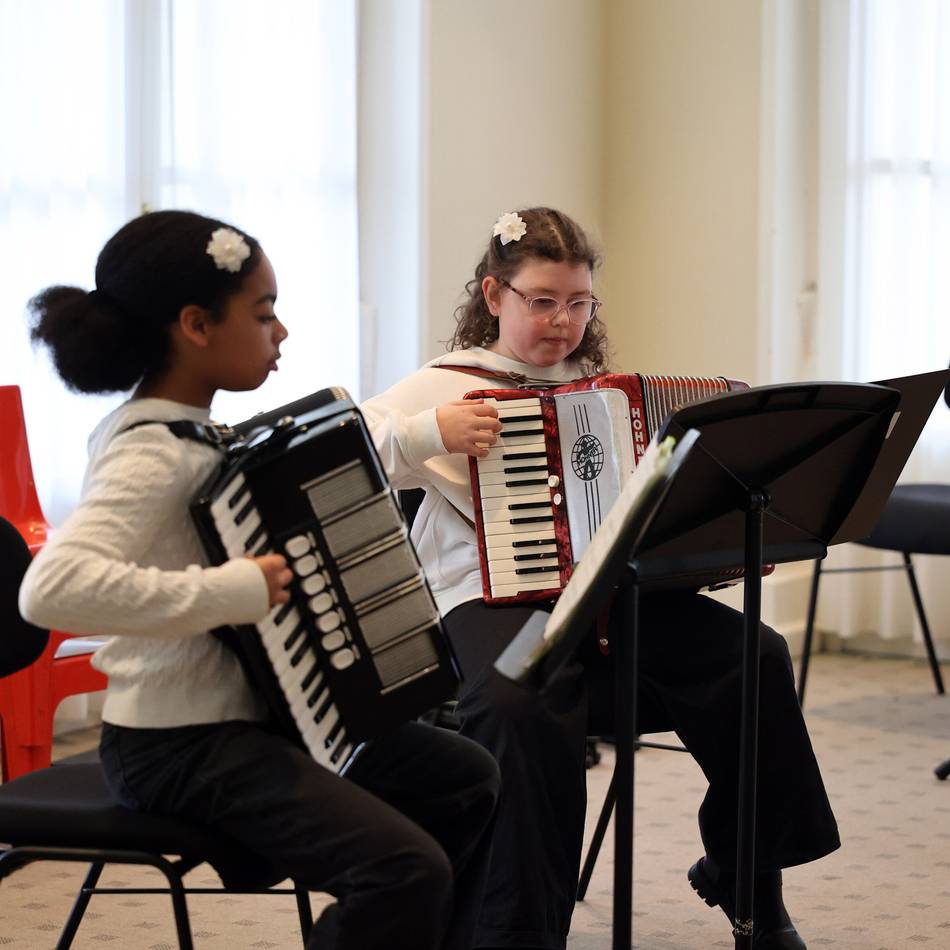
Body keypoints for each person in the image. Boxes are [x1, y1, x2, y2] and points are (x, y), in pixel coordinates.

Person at [18, 209, 500, 950]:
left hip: (245, 726)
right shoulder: (150, 454)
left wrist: (424, 434)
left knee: (464, 777)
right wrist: (231, 590)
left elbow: (344, 452)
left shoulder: (198, 434)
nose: (281, 334)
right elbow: (49, 589)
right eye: (264, 314)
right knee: (405, 871)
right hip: (178, 746)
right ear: (196, 326)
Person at [361, 207, 841, 950]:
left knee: (756, 656)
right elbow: (346, 448)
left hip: (614, 596)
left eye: (579, 302)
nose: (562, 321)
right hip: (486, 593)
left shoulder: (599, 390)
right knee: (522, 699)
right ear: (494, 296)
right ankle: (517, 934)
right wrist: (431, 433)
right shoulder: (441, 385)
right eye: (542, 300)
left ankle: (748, 886)